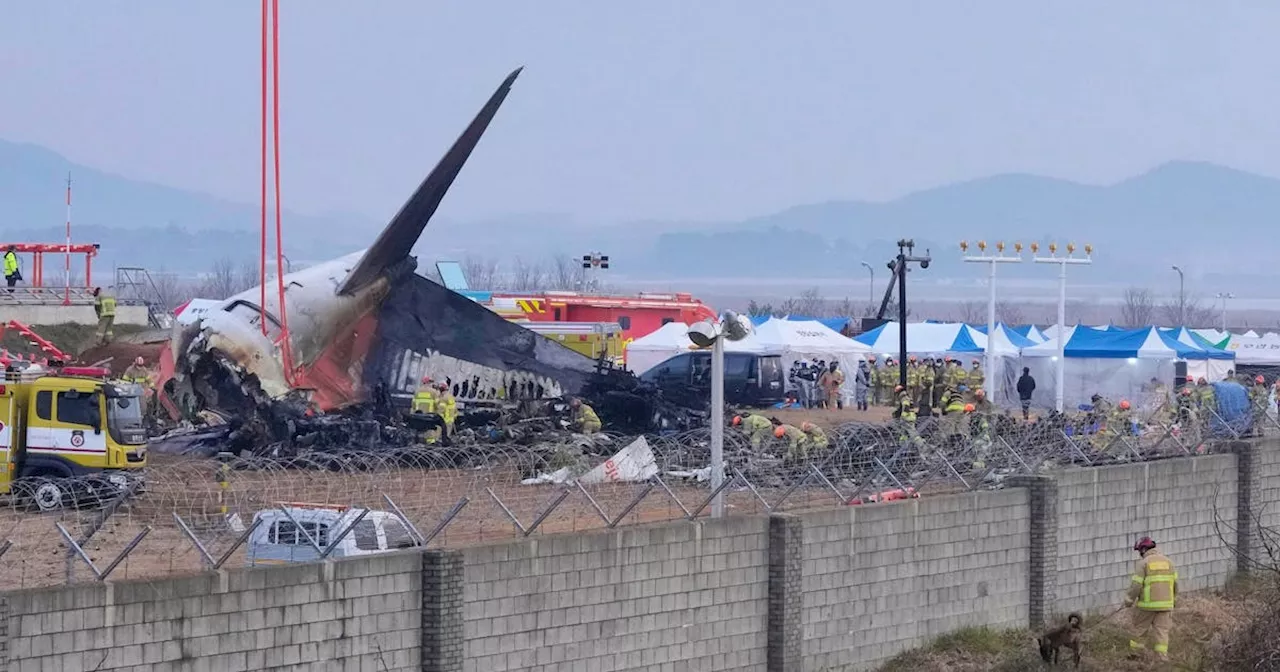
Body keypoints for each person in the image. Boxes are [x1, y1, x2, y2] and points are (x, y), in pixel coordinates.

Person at [1125, 536, 1177, 661]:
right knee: (1162, 633)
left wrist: (1129, 600)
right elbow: (1175, 584)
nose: (1139, 554)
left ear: (1143, 549)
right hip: (1166, 605)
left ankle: (1136, 656)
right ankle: (1162, 660)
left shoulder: (1143, 563)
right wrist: (1173, 600)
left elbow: (1136, 585)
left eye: (1139, 551)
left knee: (1139, 630)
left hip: (1147, 605)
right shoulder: (1169, 562)